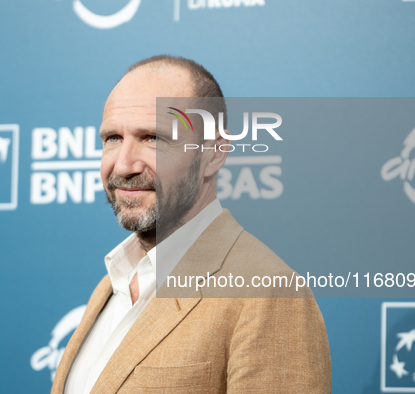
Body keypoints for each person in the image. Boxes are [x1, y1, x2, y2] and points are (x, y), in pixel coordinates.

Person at [51, 55, 331, 394]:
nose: (123, 165)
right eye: (112, 138)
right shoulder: (113, 284)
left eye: (152, 137)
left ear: (214, 153)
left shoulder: (268, 294)